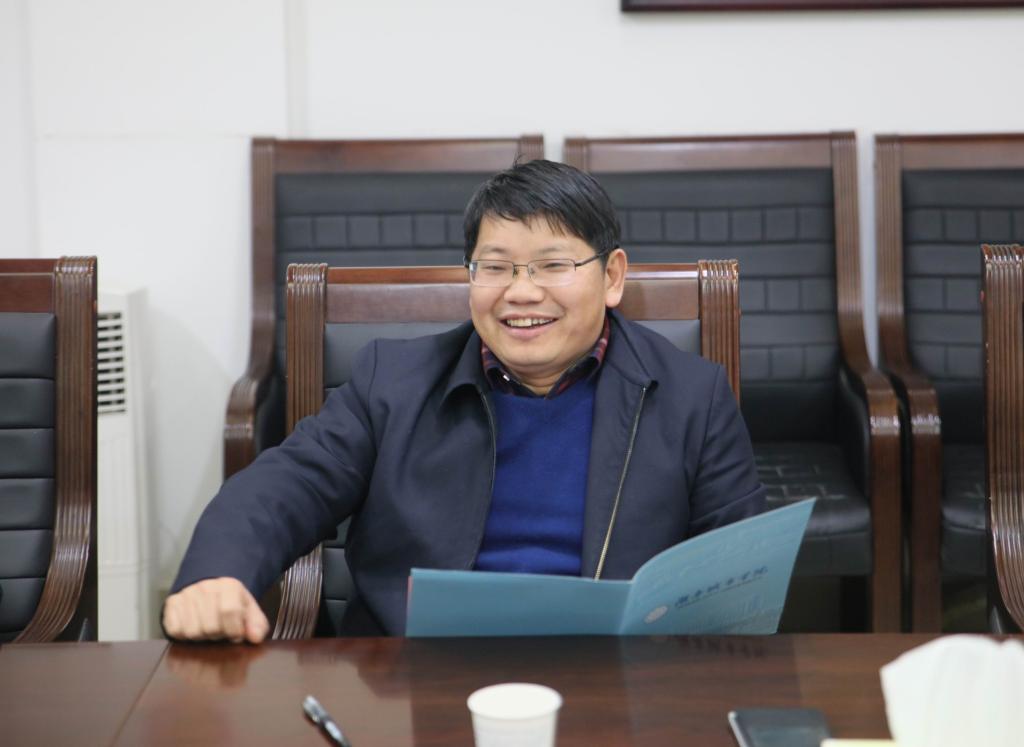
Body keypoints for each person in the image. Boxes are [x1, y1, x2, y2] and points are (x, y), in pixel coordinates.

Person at [163, 159, 766, 643]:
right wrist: (217, 574)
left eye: (552, 265)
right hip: (415, 682)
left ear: (611, 277)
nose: (521, 293)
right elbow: (284, 487)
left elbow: (739, 577)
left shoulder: (693, 396)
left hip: (614, 683)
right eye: (495, 267)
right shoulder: (391, 383)